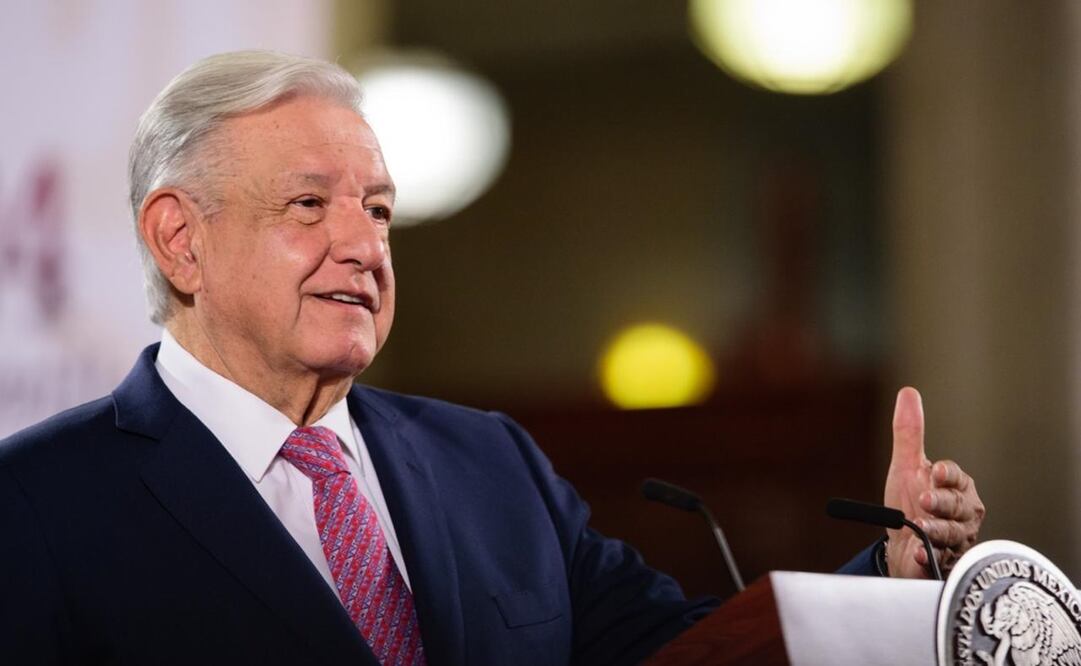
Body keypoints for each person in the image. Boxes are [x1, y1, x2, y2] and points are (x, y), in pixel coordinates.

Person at [0, 50, 984, 665]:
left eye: (378, 210)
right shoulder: (38, 506)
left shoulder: (489, 461)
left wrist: (891, 573)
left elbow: (677, 653)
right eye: (310, 206)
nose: (364, 246)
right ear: (180, 240)